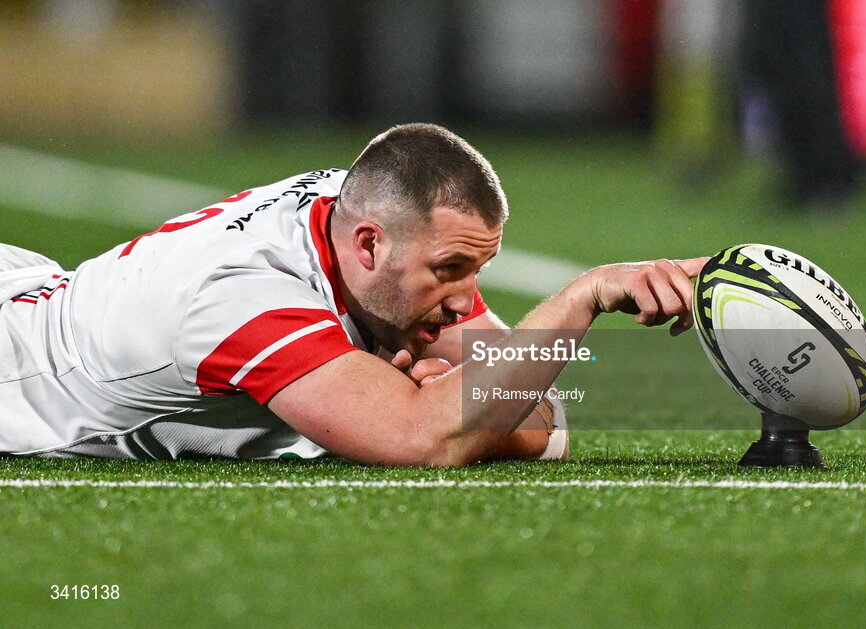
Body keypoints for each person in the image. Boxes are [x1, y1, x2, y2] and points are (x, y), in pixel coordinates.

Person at [0, 124, 708, 464]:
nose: (466, 302)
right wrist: (582, 296)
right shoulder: (243, 297)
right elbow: (427, 435)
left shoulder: (373, 223)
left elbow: (536, 413)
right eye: (452, 269)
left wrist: (474, 397)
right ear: (368, 245)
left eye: (476, 269)